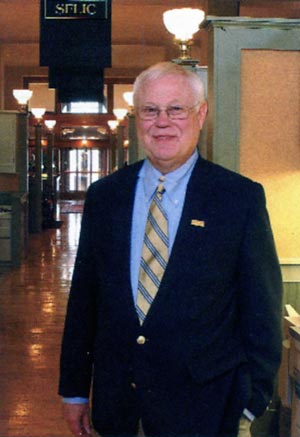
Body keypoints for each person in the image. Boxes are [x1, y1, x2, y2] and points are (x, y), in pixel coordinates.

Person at [59, 61, 282, 437]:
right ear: (137, 117)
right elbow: (85, 301)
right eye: (150, 110)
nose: (162, 122)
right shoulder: (105, 197)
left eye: (176, 109)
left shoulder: (238, 199)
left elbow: (262, 308)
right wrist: (75, 392)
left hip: (207, 410)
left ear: (201, 114)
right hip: (120, 409)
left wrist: (252, 399)